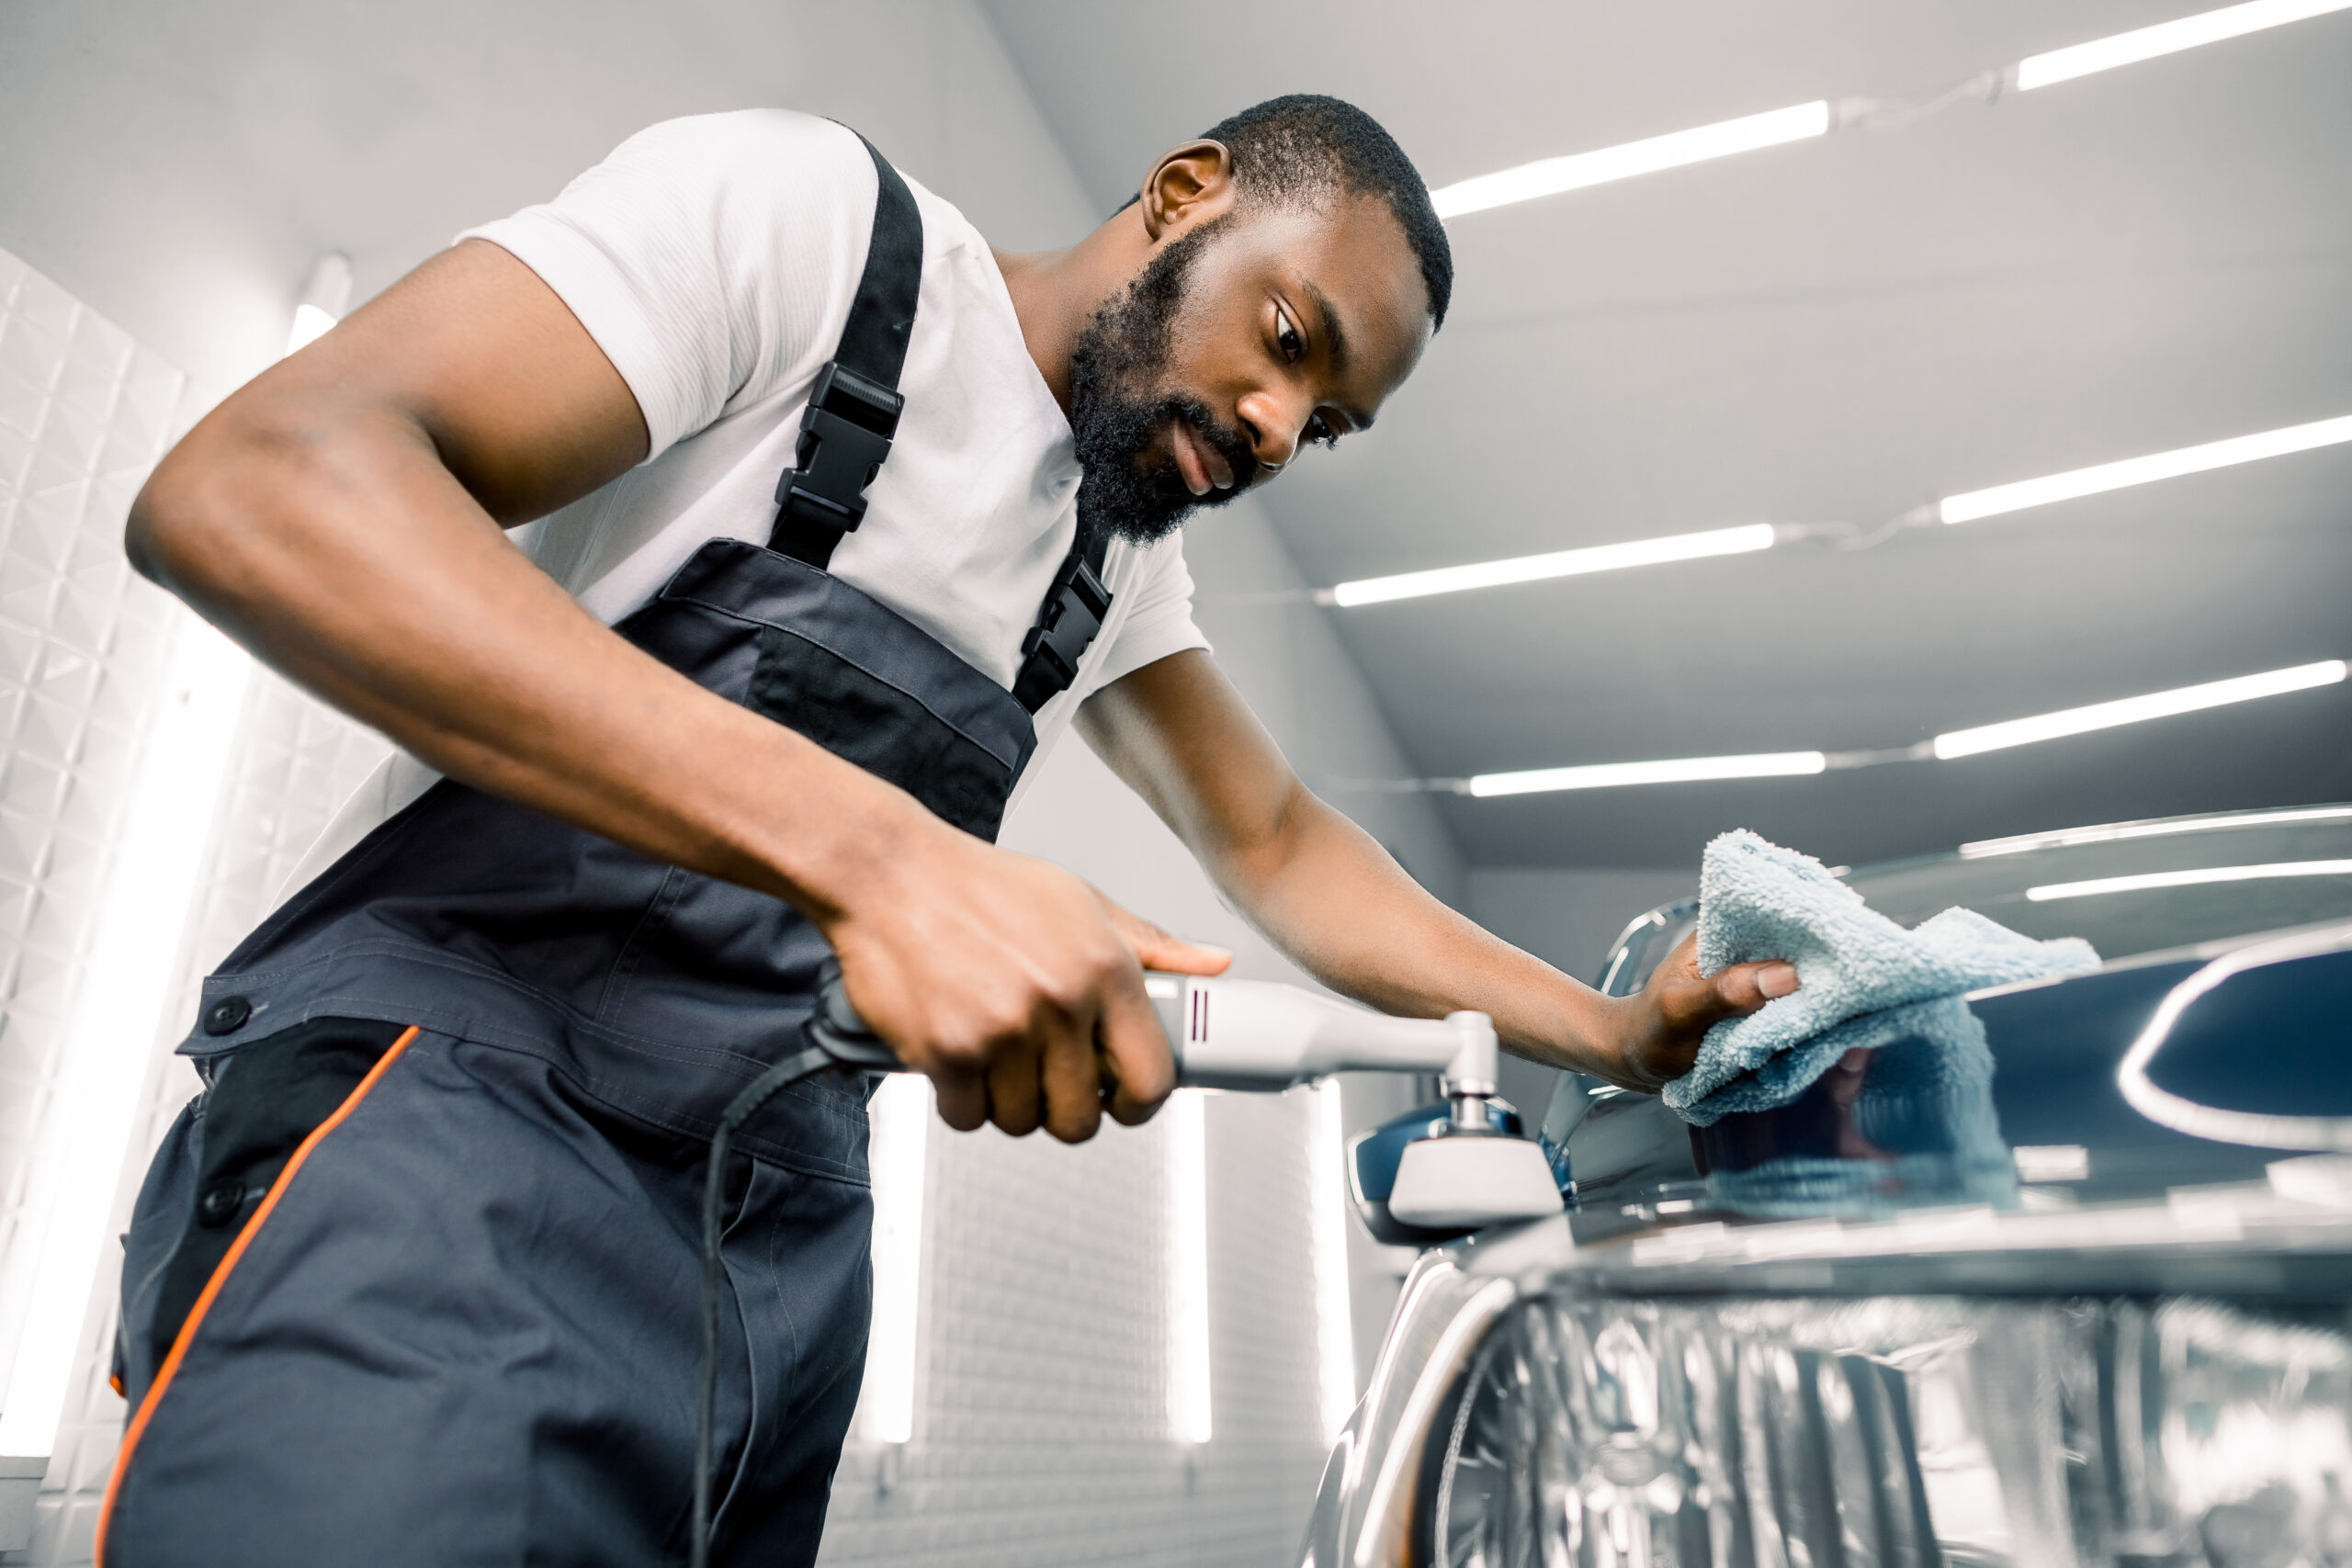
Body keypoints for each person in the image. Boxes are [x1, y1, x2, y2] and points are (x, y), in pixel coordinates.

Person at [98, 96, 1798, 1566]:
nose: (1284, 430)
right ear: (1187, 189)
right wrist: (891, 855)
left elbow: (1275, 839)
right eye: (1291, 343)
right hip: (450, 1118)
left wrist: (1613, 1040)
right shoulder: (817, 234)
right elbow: (258, 485)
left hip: (765, 1252)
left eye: (1328, 423)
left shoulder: (1108, 562)